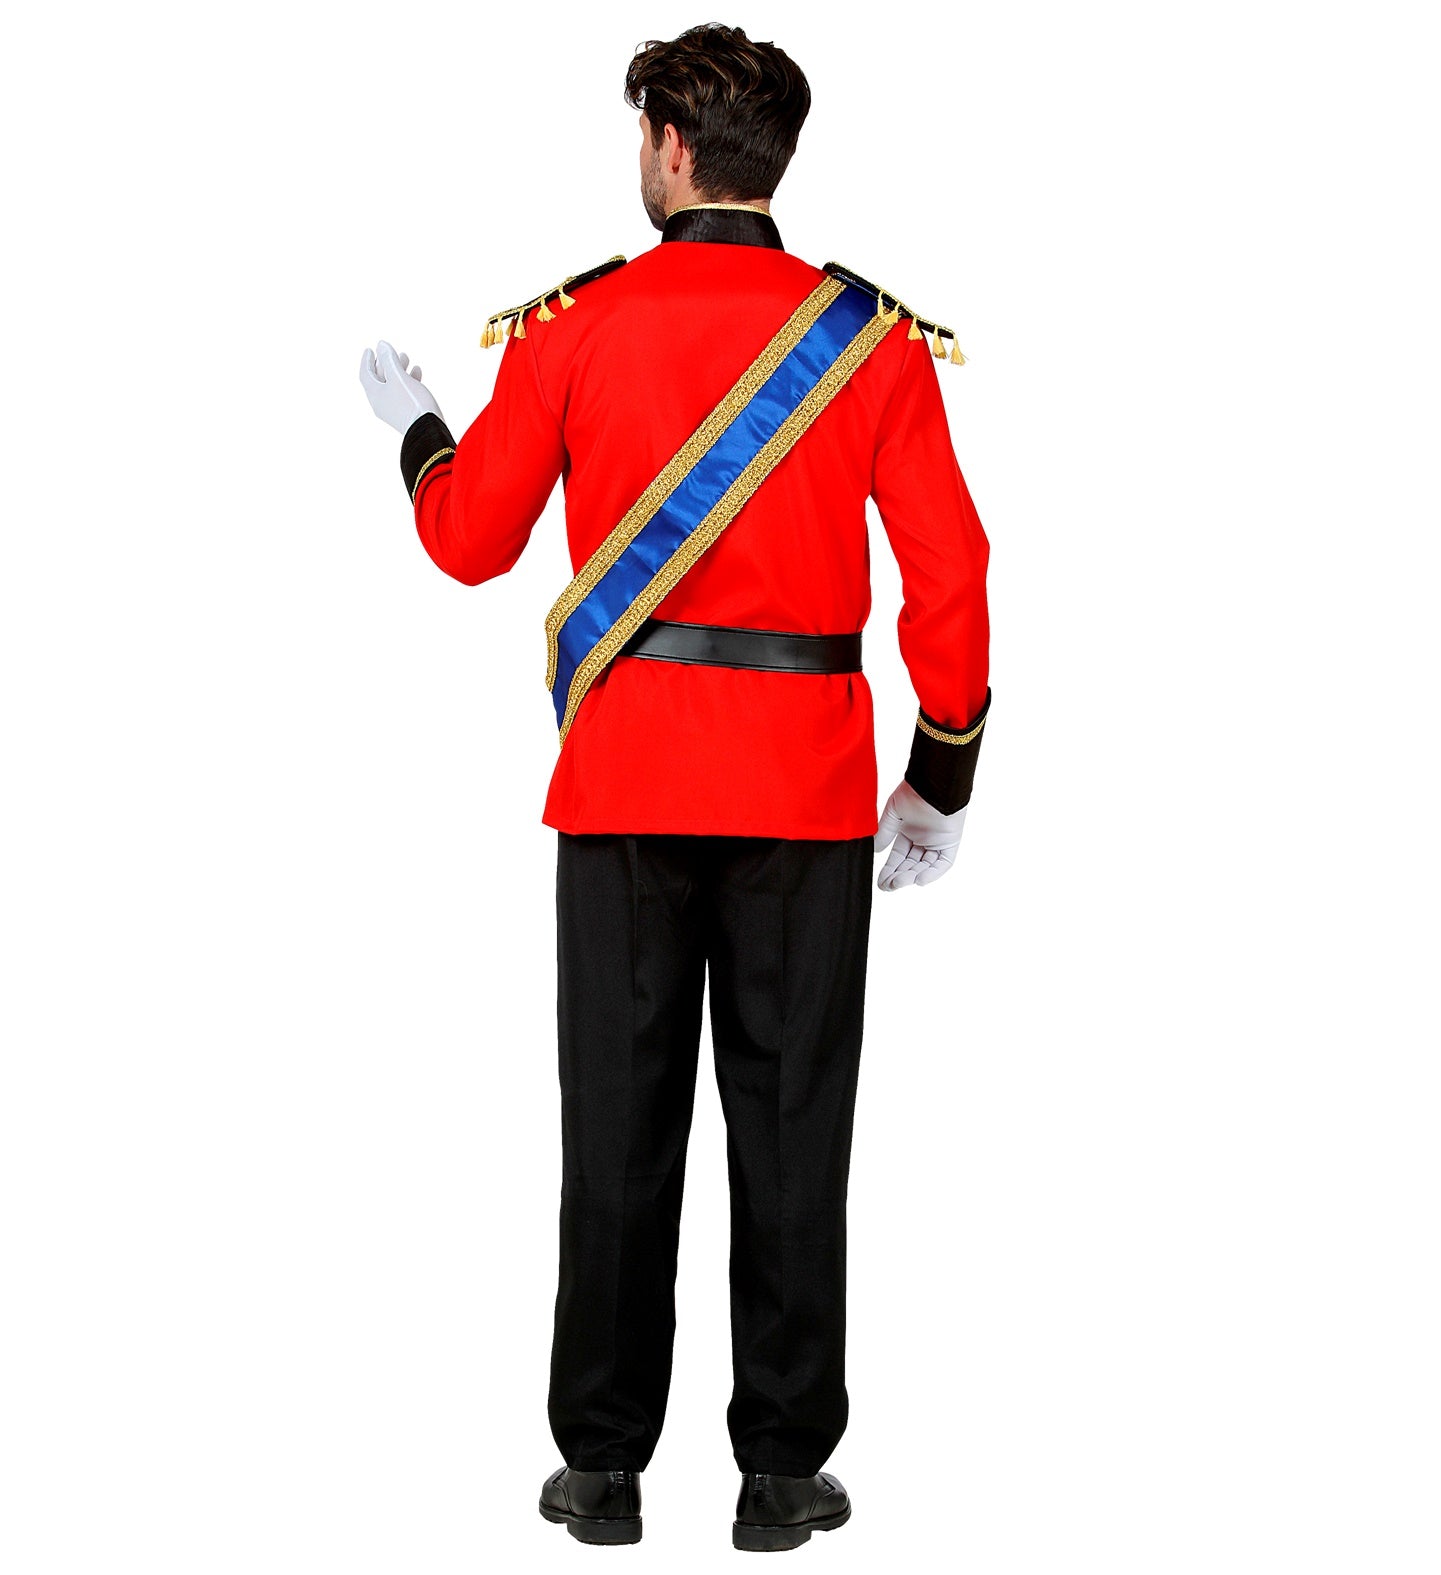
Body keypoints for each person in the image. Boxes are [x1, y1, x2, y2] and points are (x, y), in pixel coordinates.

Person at [359, 23, 990, 1553]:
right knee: (794, 1132)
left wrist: (418, 431)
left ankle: (601, 1469)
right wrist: (939, 775)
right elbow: (952, 572)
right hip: (806, 794)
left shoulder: (573, 326)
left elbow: (468, 540)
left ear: (666, 144)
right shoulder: (871, 342)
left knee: (616, 1133)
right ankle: (779, 1473)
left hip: (625, 786)